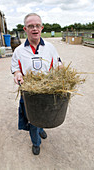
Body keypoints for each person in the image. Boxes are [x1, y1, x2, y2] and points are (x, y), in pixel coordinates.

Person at [11, 13, 63, 155]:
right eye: (31, 26)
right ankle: (36, 143)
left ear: (41, 28)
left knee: (45, 114)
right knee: (33, 118)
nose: (35, 28)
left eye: (37, 26)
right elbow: (15, 68)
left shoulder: (50, 47)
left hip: (47, 91)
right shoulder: (19, 51)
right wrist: (17, 74)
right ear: (25, 29)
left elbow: (58, 63)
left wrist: (61, 70)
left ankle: (41, 129)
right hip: (30, 92)